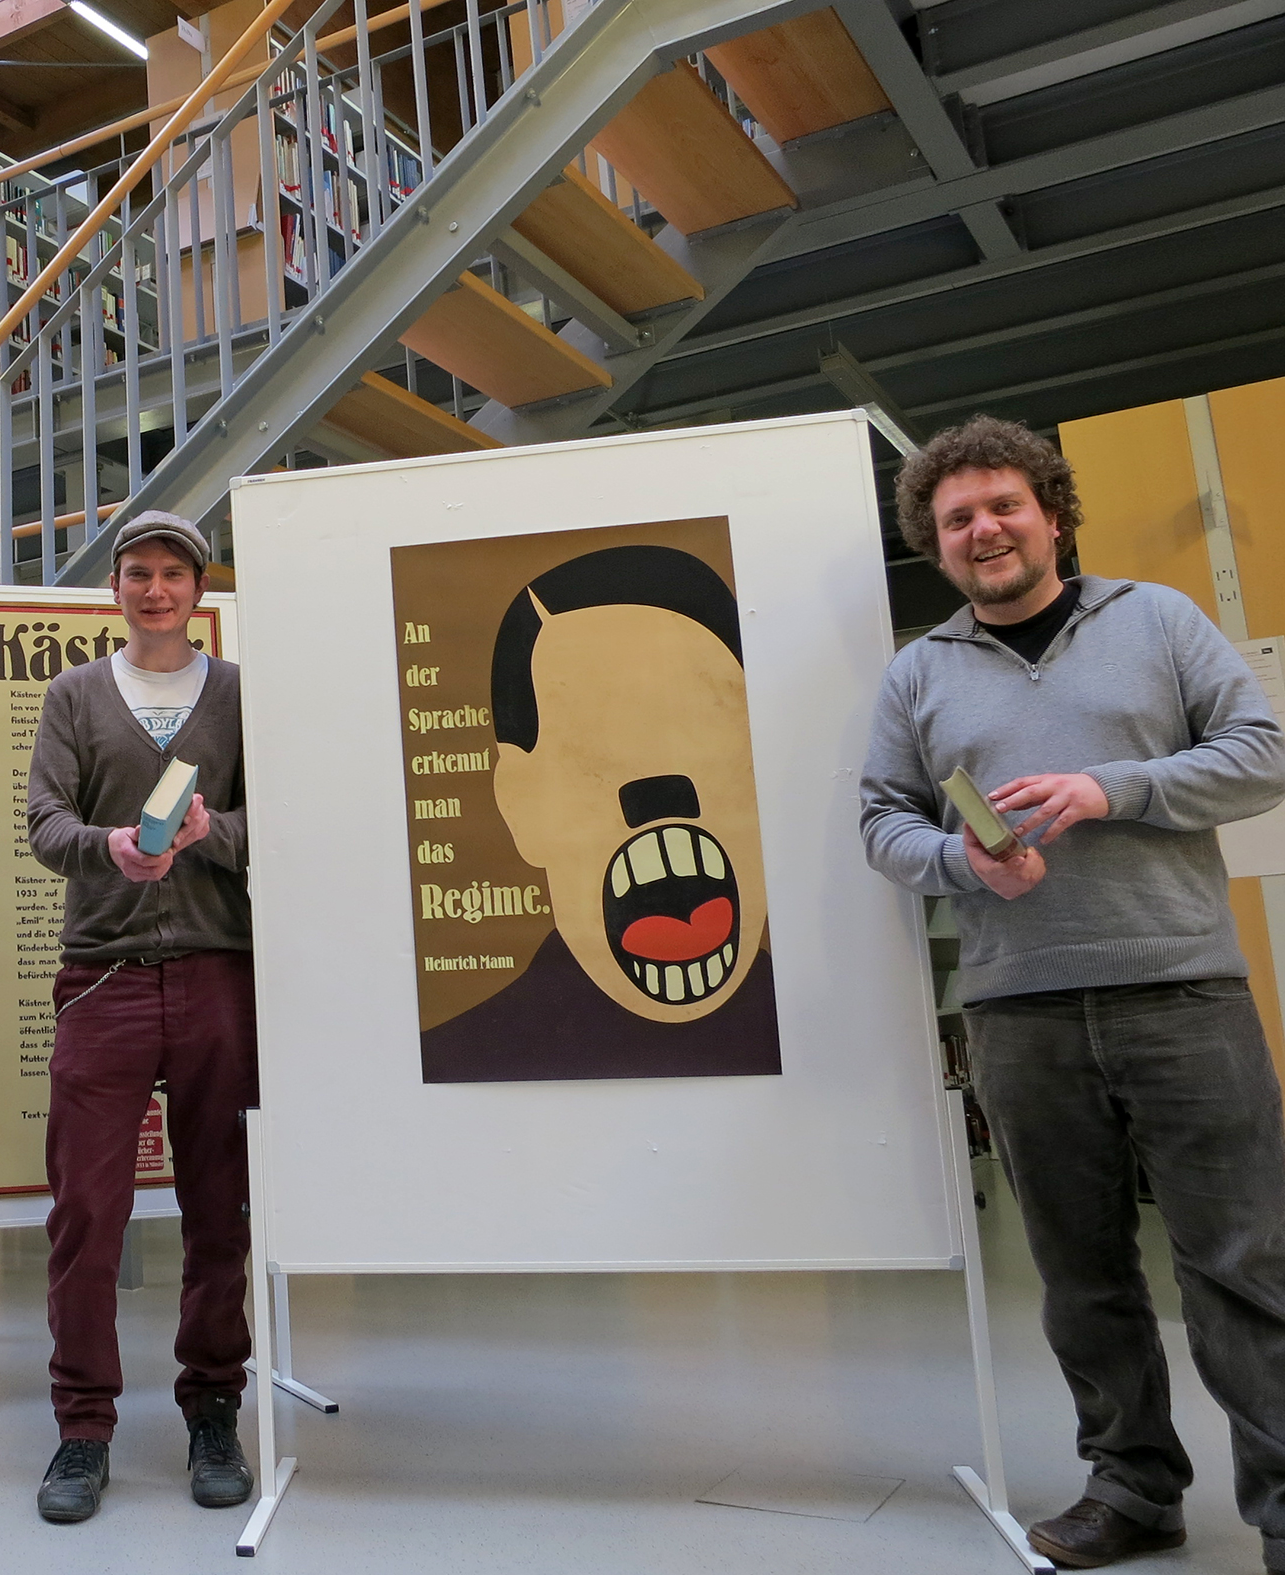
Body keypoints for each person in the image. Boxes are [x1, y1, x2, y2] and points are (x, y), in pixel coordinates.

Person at [860, 415, 1285, 1572]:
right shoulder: (918, 671)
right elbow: (881, 823)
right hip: (1019, 1011)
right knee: (1081, 1275)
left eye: (1003, 505)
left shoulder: (1157, 619)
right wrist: (961, 862)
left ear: (1051, 514)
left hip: (1183, 992)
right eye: (957, 519)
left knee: (1244, 1260)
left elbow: (1263, 750)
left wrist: (1113, 789)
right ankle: (1132, 1489)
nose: (983, 530)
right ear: (935, 544)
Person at [25, 510, 256, 1523]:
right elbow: (45, 823)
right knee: (86, 1213)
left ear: (198, 589)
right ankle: (82, 1427)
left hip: (216, 973)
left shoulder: (239, 695)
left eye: (171, 573)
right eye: (136, 573)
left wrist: (211, 833)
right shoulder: (74, 695)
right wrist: (110, 848)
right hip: (103, 977)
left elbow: (279, 819)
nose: (154, 589)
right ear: (113, 588)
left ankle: (214, 1409)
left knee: (219, 1208)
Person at [421, 544, 780, 1082]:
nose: (664, 796)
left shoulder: (829, 1031)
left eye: (708, 733)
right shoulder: (465, 1057)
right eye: (597, 750)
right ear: (519, 804)